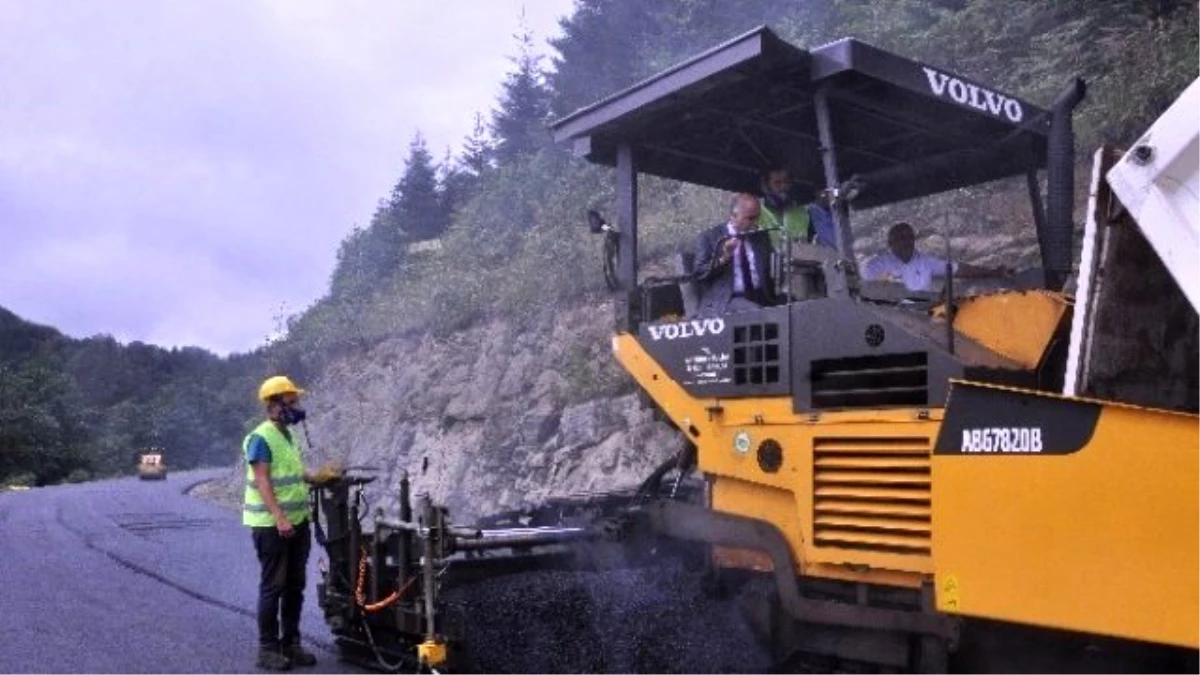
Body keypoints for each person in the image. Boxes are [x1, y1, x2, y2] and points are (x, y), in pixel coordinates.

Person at [243, 375, 339, 671]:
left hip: (297, 522)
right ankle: (267, 649)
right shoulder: (261, 437)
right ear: (274, 404)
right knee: (274, 585)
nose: (297, 406)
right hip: (272, 524)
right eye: (291, 401)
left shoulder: (287, 435)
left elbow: (293, 473)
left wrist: (318, 476)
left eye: (296, 401)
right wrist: (280, 518)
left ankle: (291, 644)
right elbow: (262, 480)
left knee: (295, 584)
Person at [862, 222, 1010, 293]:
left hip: (922, 315)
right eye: (900, 238)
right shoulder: (874, 266)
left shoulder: (925, 261)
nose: (905, 241)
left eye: (909, 237)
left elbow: (959, 269)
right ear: (890, 243)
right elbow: (866, 293)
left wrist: (994, 272)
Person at [693, 193, 778, 315]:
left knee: (795, 304)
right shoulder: (709, 237)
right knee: (755, 312)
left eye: (757, 217)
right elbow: (700, 274)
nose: (755, 223)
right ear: (733, 216)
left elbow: (771, 264)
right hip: (727, 299)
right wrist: (724, 258)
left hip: (761, 295)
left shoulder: (760, 236)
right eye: (750, 218)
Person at [758, 167, 811, 244]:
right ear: (766, 186)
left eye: (787, 182)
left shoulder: (804, 212)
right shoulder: (755, 211)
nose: (783, 187)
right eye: (777, 183)